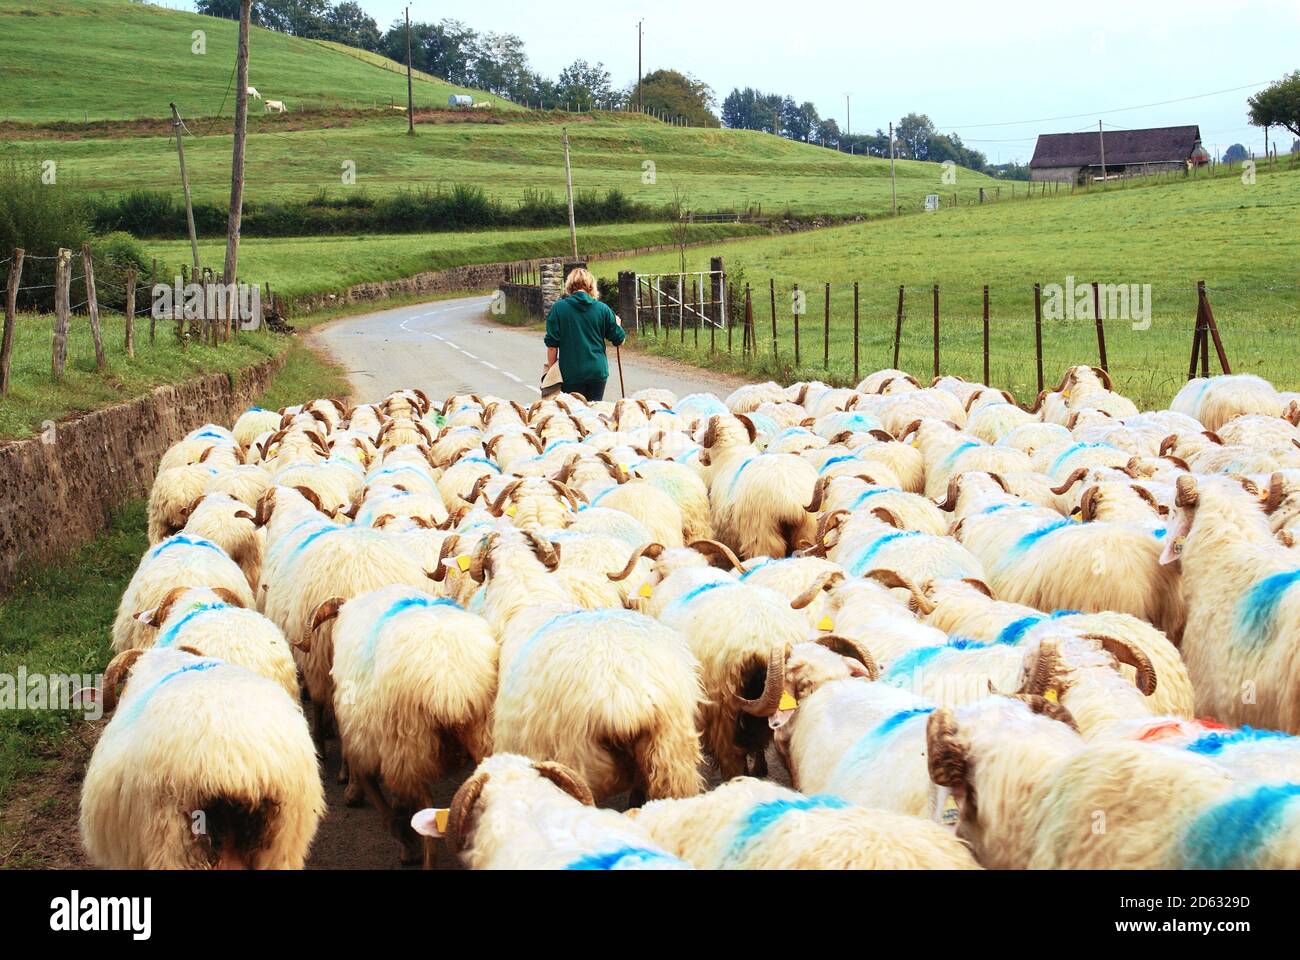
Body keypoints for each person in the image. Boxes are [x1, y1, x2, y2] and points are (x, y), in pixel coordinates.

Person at [542, 267, 625, 402]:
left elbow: (552, 345)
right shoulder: (603, 309)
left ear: (569, 285)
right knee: (593, 413)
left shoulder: (559, 308)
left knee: (575, 416)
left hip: (571, 374)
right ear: (591, 286)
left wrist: (552, 370)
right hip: (597, 373)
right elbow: (619, 340)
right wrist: (617, 325)